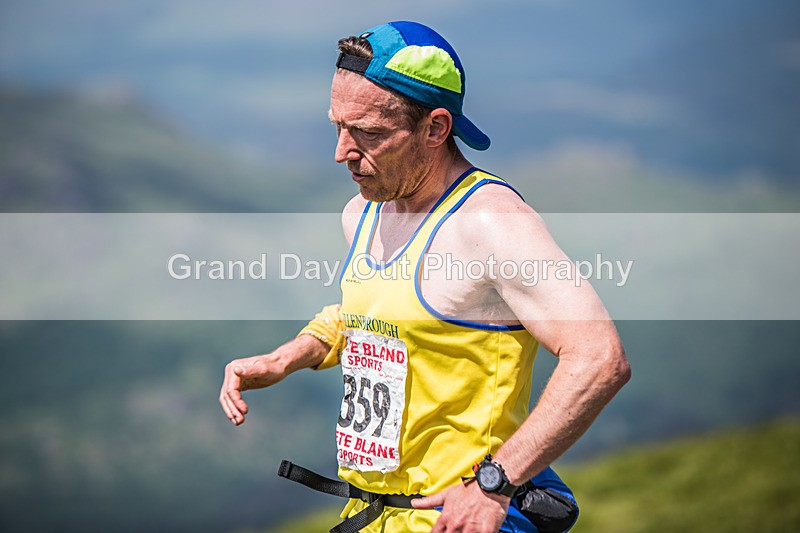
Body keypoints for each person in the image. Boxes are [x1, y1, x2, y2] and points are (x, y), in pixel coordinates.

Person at [219, 21, 630, 533]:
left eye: (368, 133)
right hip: (375, 515)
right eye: (337, 126)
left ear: (436, 128)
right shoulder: (364, 211)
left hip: (461, 518)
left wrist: (494, 484)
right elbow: (371, 313)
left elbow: (599, 358)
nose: (341, 152)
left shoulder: (490, 223)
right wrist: (291, 356)